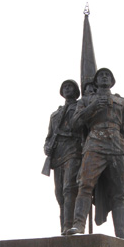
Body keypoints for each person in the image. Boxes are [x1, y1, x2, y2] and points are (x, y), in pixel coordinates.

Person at [67, 68, 124, 242]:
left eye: (107, 75)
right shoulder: (85, 101)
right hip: (94, 144)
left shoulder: (122, 102)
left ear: (112, 81)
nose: (104, 76)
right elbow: (74, 123)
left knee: (120, 191)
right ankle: (78, 225)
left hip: (117, 147)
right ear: (96, 81)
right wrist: (92, 106)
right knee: (85, 185)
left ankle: (121, 231)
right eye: (101, 75)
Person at [43, 80, 82, 235]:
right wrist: (47, 147)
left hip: (73, 151)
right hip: (57, 155)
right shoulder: (55, 115)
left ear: (76, 90)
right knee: (59, 193)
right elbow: (49, 136)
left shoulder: (80, 107)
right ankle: (63, 228)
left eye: (70, 86)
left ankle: (69, 225)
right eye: (64, 87)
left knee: (69, 189)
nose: (67, 89)